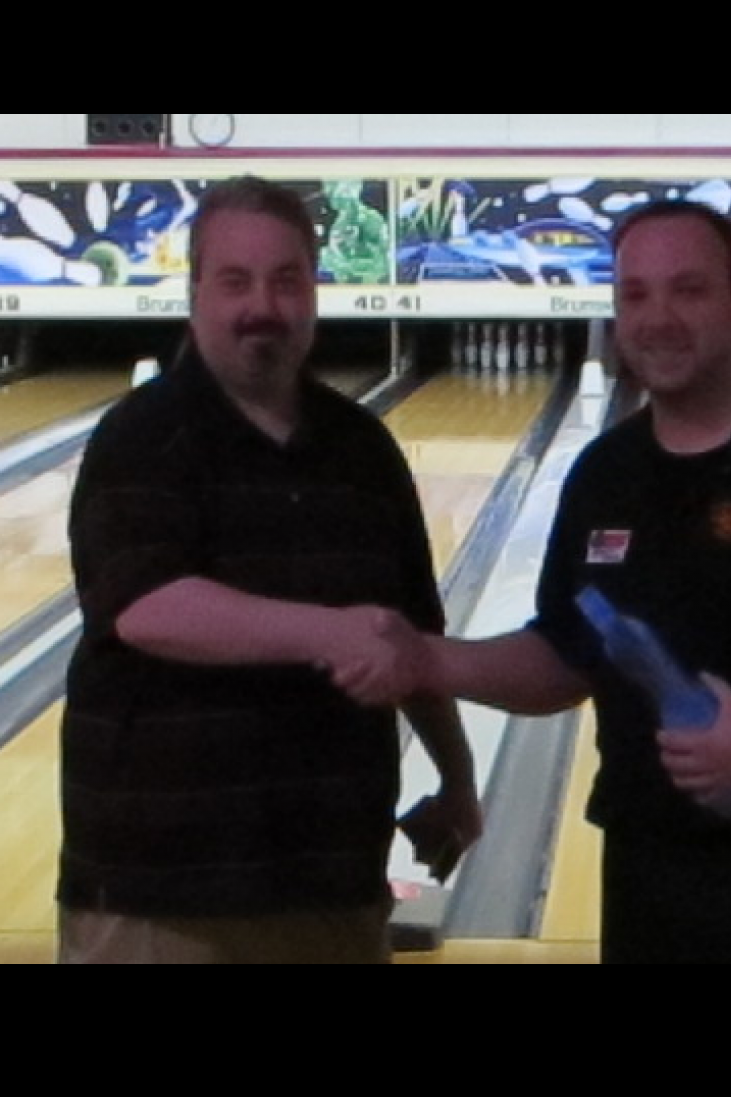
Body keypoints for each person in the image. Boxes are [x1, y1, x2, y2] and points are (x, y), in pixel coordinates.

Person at [369, 199, 731, 964]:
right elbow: (567, 656)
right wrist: (427, 659)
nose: (657, 317)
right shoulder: (604, 473)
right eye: (635, 294)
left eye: (688, 289)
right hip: (643, 857)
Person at [60, 176, 480, 964]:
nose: (263, 304)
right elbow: (150, 607)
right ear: (194, 293)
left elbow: (411, 634)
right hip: (162, 894)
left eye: (286, 279)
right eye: (235, 280)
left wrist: (458, 781)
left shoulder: (364, 450)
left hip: (333, 880)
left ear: (313, 291)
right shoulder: (142, 436)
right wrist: (334, 631)